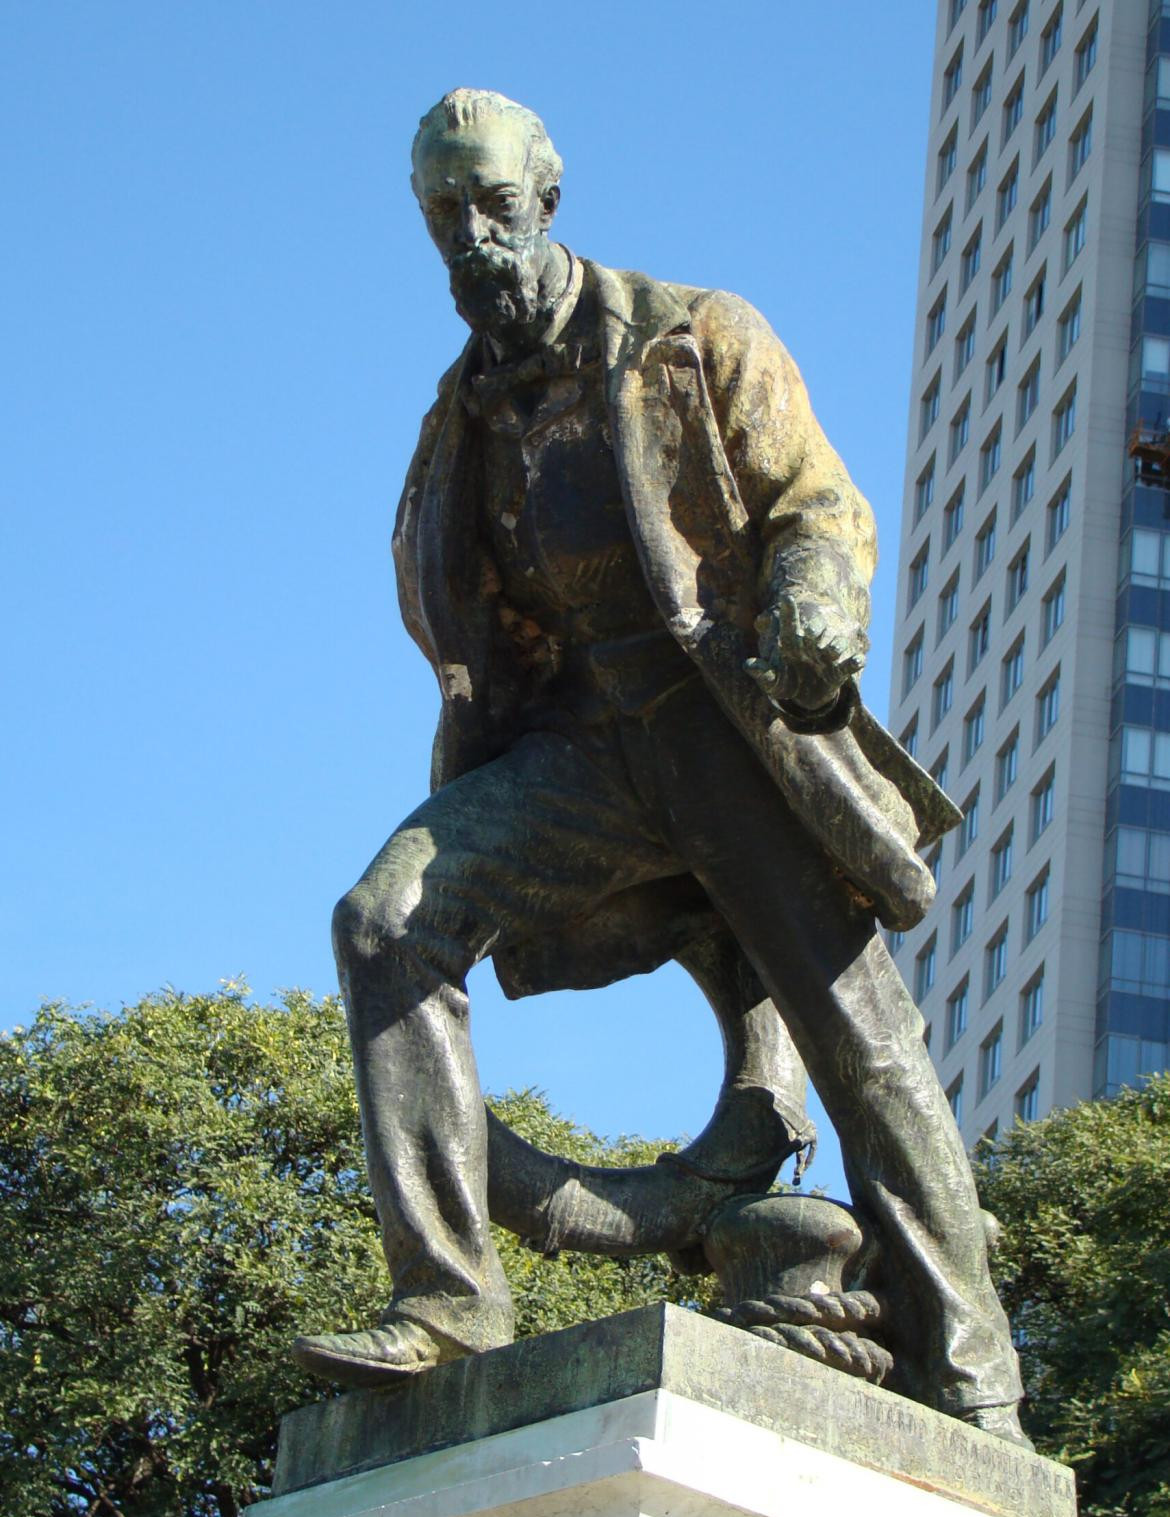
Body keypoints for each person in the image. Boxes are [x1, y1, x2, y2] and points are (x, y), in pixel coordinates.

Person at [294, 89, 1027, 1442]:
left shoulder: (693, 334)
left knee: (865, 1052)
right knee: (383, 921)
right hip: (576, 752)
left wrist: (815, 605)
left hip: (724, 724)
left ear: (547, 199)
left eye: (493, 208)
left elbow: (815, 504)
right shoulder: (455, 422)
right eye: (443, 216)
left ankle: (976, 1388)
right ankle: (447, 1299)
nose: (472, 240)